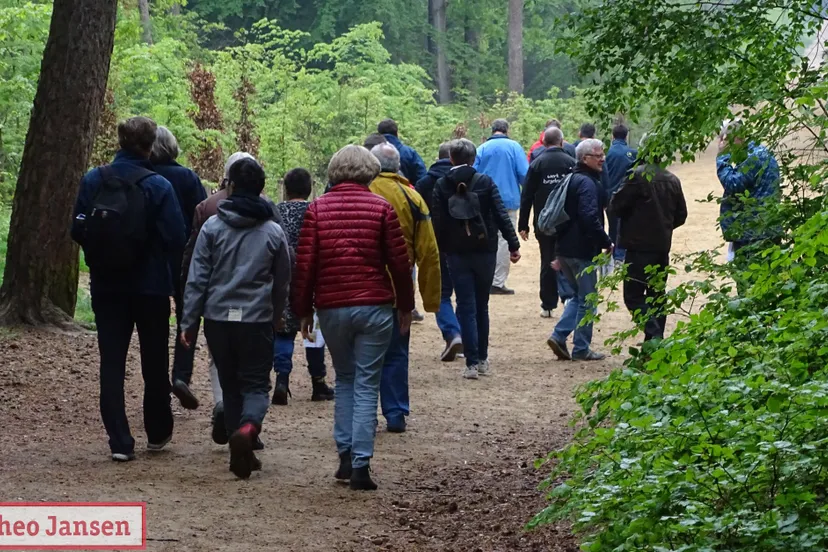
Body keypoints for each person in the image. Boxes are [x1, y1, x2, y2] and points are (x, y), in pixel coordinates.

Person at [292, 145, 415, 491]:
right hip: (375, 306)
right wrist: (405, 305)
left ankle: (345, 455)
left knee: (345, 378)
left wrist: (302, 310)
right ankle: (361, 463)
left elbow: (305, 266)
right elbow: (399, 265)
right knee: (366, 383)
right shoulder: (382, 208)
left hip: (331, 307)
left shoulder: (317, 209)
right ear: (369, 172)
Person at [70, 116, 186, 462]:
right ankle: (158, 431)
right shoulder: (159, 186)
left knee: (112, 362)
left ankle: (120, 440)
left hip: (107, 287)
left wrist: (100, 255)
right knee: (154, 360)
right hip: (150, 287)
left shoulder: (94, 179)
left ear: (120, 142)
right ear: (151, 145)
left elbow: (77, 228)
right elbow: (176, 238)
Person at [180, 157, 291, 479]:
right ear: (261, 189)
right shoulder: (272, 231)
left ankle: (237, 449)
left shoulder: (212, 227)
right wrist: (278, 314)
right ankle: (248, 428)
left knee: (229, 383)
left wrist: (189, 321)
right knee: (256, 384)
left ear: (230, 187)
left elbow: (197, 278)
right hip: (256, 319)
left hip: (218, 318)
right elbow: (283, 277)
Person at [432, 138, 521, 380]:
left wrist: (439, 249)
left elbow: (437, 221)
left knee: (465, 305)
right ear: (473, 159)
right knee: (482, 306)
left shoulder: (441, 184)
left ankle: (470, 363)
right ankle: (482, 358)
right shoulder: (485, 181)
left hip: (456, 252)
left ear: (450, 158)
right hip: (485, 249)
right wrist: (513, 245)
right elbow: (501, 214)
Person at [370, 144, 441, 433]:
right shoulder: (412, 197)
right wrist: (431, 299)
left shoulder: (358, 193)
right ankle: (396, 413)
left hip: (359, 287)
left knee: (363, 357)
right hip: (398, 291)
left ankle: (364, 414)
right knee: (396, 352)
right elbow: (429, 252)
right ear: (398, 165)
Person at [149, 125, 208, 411]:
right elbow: (204, 219)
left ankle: (157, 384)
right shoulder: (187, 177)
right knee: (188, 317)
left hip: (149, 261)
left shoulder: (144, 176)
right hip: (185, 258)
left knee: (154, 325)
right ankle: (181, 374)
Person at [271, 168, 335, 405]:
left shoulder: (275, 212)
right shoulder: (315, 210)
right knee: (313, 333)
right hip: (311, 278)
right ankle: (318, 382)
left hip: (283, 278)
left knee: (284, 330)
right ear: (309, 189)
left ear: (286, 189)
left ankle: (281, 379)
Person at [546, 139, 612, 362]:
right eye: (598, 155)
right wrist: (605, 240)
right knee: (588, 299)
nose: (603, 158)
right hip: (581, 250)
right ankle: (581, 348)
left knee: (577, 296)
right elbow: (588, 217)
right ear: (585, 159)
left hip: (564, 248)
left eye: (602, 154)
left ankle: (558, 335)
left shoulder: (571, 179)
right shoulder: (587, 183)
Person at [609, 154, 687, 341]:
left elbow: (615, 206)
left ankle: (654, 335)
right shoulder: (672, 179)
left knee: (633, 296)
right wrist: (664, 227)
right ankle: (652, 346)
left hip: (638, 247)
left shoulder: (636, 176)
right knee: (657, 295)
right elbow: (681, 215)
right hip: (661, 247)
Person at [518, 127, 576, 318]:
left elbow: (526, 195)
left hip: (543, 222)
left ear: (543, 143)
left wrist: (523, 224)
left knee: (547, 260)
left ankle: (547, 304)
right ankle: (569, 297)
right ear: (562, 141)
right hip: (567, 221)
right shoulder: (571, 163)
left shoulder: (537, 163)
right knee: (567, 258)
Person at [416, 143, 463, 361]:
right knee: (465, 295)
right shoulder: (471, 180)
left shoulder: (424, 182)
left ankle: (452, 334)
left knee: (442, 294)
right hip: (464, 244)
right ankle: (467, 339)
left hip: (436, 244)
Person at [716, 120, 781, 273]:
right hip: (762, 231)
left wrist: (722, 156)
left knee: (749, 283)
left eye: (725, 140)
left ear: (734, 138)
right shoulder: (760, 153)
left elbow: (732, 184)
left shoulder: (754, 158)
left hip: (754, 234)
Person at [473, 119, 529, 295]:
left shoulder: (481, 149)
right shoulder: (514, 147)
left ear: (492, 130)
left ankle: (484, 278)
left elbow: (472, 172)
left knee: (485, 237)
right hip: (508, 199)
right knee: (505, 239)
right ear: (507, 130)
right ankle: (498, 281)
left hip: (483, 200)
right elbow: (524, 175)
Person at [604, 124, 638, 264]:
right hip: (628, 195)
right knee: (627, 225)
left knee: (613, 226)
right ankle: (622, 254)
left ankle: (614, 253)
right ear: (626, 136)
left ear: (612, 136)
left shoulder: (606, 154)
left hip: (611, 195)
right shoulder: (633, 153)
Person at [377, 119, 427, 184]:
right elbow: (422, 177)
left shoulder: (373, 153)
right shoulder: (410, 153)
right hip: (407, 191)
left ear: (379, 133)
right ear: (397, 133)